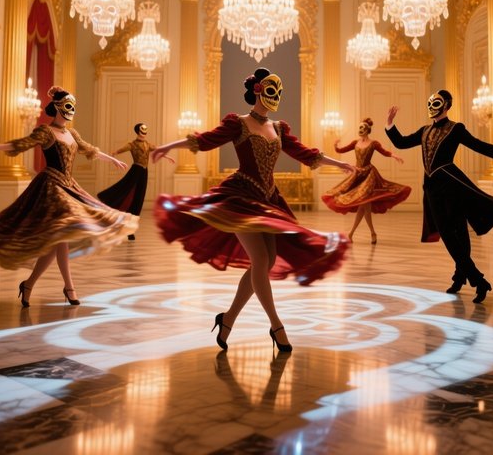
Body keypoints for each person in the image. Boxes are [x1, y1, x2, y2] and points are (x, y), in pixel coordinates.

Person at [152, 68, 354, 353]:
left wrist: (339, 164)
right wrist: (167, 145)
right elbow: (205, 140)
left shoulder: (279, 128)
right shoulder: (239, 123)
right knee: (260, 259)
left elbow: (306, 154)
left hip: (268, 200)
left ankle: (228, 319)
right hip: (239, 199)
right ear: (258, 90)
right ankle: (276, 325)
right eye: (271, 90)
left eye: (279, 91)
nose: (276, 96)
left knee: (266, 261)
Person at [0, 86, 137, 307]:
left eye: (73, 107)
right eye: (68, 106)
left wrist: (112, 159)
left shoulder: (72, 133)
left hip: (69, 184)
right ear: (57, 108)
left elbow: (90, 150)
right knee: (62, 236)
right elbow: (21, 144)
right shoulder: (45, 132)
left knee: (57, 241)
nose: (71, 110)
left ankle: (29, 285)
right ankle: (69, 287)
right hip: (51, 187)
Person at [385, 91, 493, 304]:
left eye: (437, 102)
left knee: (457, 233)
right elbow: (401, 143)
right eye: (430, 102)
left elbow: (477, 144)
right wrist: (390, 125)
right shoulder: (424, 131)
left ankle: (476, 280)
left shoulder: (455, 128)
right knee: (448, 233)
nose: (432, 105)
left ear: (447, 105)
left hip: (451, 185)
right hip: (431, 188)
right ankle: (461, 277)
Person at [322, 117, 411, 243]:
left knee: (364, 203)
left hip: (369, 175)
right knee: (364, 206)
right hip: (357, 174)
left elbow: (384, 152)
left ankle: (355, 233)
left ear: (368, 130)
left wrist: (394, 156)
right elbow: (340, 150)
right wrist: (335, 145)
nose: (360, 129)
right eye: (359, 127)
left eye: (363, 128)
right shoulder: (355, 143)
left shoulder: (373, 143)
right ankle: (368, 233)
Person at [98, 123, 174, 241]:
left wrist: (167, 157)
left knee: (138, 201)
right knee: (124, 193)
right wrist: (113, 155)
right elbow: (120, 150)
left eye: (145, 130)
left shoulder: (148, 144)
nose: (144, 132)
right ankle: (111, 209)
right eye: (142, 130)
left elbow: (158, 150)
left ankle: (130, 230)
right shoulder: (132, 145)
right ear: (137, 131)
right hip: (135, 171)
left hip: (144, 173)